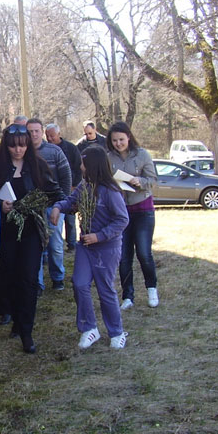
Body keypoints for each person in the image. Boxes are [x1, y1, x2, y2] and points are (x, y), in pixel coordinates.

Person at [50, 146, 129, 349]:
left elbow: (122, 219)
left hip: (106, 248)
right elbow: (71, 201)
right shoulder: (85, 187)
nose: (81, 167)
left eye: (84, 163)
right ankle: (89, 328)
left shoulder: (110, 192)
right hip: (85, 246)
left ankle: (116, 332)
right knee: (79, 284)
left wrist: (100, 236)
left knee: (105, 290)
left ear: (93, 165)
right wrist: (58, 207)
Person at [0, 124, 60, 353]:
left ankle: (26, 331)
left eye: (22, 145)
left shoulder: (37, 165)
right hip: (6, 232)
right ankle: (16, 320)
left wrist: (51, 207)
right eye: (12, 146)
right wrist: (0, 206)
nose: (17, 150)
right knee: (10, 277)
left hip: (30, 230)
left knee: (29, 279)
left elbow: (54, 192)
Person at [106, 122, 159, 309]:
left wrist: (140, 181)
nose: (118, 143)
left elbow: (153, 179)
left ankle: (151, 288)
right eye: (114, 141)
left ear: (128, 137)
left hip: (143, 209)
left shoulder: (142, 154)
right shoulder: (108, 158)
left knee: (144, 253)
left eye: (121, 139)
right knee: (124, 256)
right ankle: (128, 296)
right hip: (121, 212)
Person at [26, 118, 71, 292]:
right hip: (33, 207)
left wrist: (63, 204)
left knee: (55, 244)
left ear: (42, 131)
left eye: (37, 131)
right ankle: (37, 283)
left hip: (54, 206)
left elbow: (66, 177)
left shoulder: (54, 151)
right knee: (35, 246)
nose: (34, 134)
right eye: (30, 131)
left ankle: (58, 277)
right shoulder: (24, 153)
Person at [46, 124, 82, 251]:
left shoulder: (71, 148)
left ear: (59, 134)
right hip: (54, 191)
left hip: (70, 187)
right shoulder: (46, 149)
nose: (49, 139)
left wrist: (74, 185)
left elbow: (79, 168)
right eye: (47, 136)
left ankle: (72, 243)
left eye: (52, 136)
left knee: (70, 219)